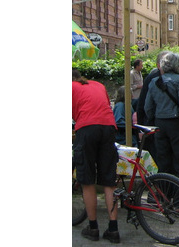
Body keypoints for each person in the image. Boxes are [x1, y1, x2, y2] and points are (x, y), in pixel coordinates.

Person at [72, 69, 120, 243]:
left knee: (87, 180)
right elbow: (104, 107)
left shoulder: (70, 87)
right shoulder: (98, 85)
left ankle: (93, 228)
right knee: (109, 181)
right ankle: (113, 229)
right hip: (108, 127)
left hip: (87, 129)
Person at [144, 52, 179, 189]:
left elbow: (148, 107)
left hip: (160, 123)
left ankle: (164, 195)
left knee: (163, 162)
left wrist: (155, 119)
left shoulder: (154, 82)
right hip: (176, 123)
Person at [134, 50, 170, 164]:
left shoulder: (153, 78)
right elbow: (144, 104)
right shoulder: (153, 79)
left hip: (156, 123)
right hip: (155, 124)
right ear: (158, 65)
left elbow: (144, 105)